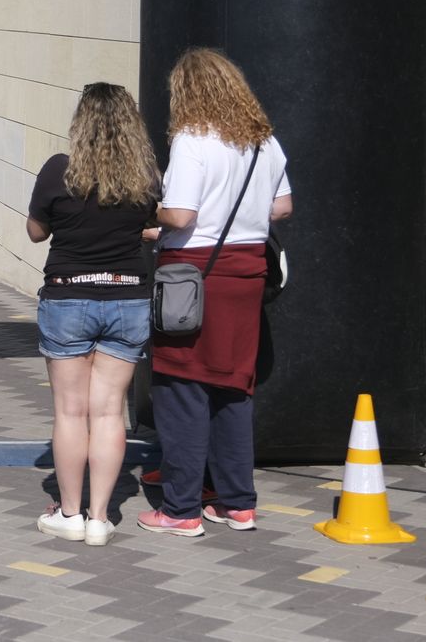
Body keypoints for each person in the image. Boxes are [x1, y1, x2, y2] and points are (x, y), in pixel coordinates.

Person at [138, 48, 292, 538]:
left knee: (181, 389)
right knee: (233, 389)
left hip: (194, 277)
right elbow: (283, 207)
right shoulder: (264, 142)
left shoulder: (192, 140)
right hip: (247, 277)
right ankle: (236, 503)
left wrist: (151, 216)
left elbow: (180, 216)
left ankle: (180, 509)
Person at [26, 83, 160, 548]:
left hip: (68, 297)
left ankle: (69, 513)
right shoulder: (144, 177)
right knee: (108, 413)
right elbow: (145, 225)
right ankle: (101, 518)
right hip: (127, 297)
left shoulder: (58, 171)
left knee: (70, 411)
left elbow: (35, 233)